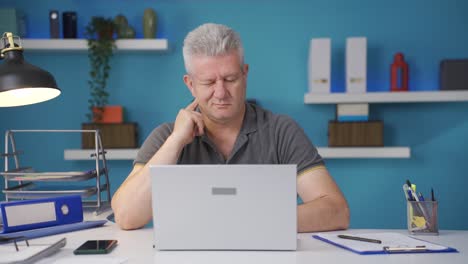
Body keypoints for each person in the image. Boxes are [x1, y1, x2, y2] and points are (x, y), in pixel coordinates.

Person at [111, 23, 349, 232]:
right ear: (190, 84)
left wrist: (246, 221)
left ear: (245, 74)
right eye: (208, 82)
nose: (221, 92)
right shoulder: (166, 136)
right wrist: (175, 142)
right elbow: (126, 216)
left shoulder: (281, 130)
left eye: (230, 79)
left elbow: (336, 211)